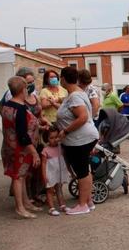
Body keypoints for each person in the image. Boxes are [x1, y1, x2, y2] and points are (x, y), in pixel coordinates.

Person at [56, 66, 99, 215]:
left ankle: (82, 205)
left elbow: (82, 117)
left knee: (81, 172)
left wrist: (65, 131)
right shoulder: (76, 93)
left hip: (80, 139)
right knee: (84, 170)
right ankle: (88, 201)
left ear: (63, 79)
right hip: (82, 138)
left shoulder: (74, 96)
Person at [0, 76, 41, 219]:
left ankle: (25, 203)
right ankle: (20, 207)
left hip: (9, 146)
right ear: (22, 90)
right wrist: (34, 152)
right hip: (20, 149)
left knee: (21, 176)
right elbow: (22, 134)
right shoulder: (21, 109)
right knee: (18, 177)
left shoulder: (7, 105)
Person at [41, 125, 69, 216]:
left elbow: (64, 160)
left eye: (56, 137)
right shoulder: (45, 150)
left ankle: (62, 205)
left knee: (59, 189)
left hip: (59, 172)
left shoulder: (61, 148)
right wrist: (44, 176)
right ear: (47, 138)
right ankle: (51, 208)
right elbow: (44, 164)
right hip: (51, 173)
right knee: (50, 190)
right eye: (51, 138)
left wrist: (68, 171)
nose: (54, 139)